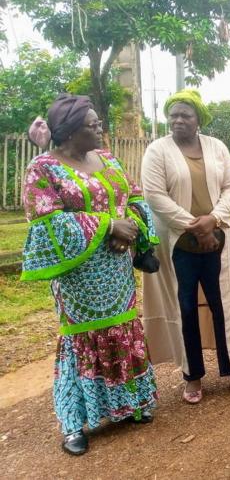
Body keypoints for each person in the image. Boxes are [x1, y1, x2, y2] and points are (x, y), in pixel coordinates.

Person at [22, 94, 158, 455]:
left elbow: (135, 196)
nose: (99, 127)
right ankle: (73, 423)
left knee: (123, 329)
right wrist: (107, 226)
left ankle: (131, 404)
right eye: (92, 124)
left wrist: (131, 225)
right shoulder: (43, 168)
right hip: (77, 275)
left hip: (116, 269)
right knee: (79, 339)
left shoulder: (109, 160)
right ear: (68, 131)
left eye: (99, 122)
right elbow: (46, 222)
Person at [141, 89, 230, 404]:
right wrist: (194, 225)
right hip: (178, 243)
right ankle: (192, 377)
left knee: (222, 302)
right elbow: (154, 195)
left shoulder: (216, 147)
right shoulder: (157, 150)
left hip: (217, 239)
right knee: (185, 308)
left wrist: (214, 219)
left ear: (199, 119)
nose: (178, 120)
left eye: (186, 115)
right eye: (174, 114)